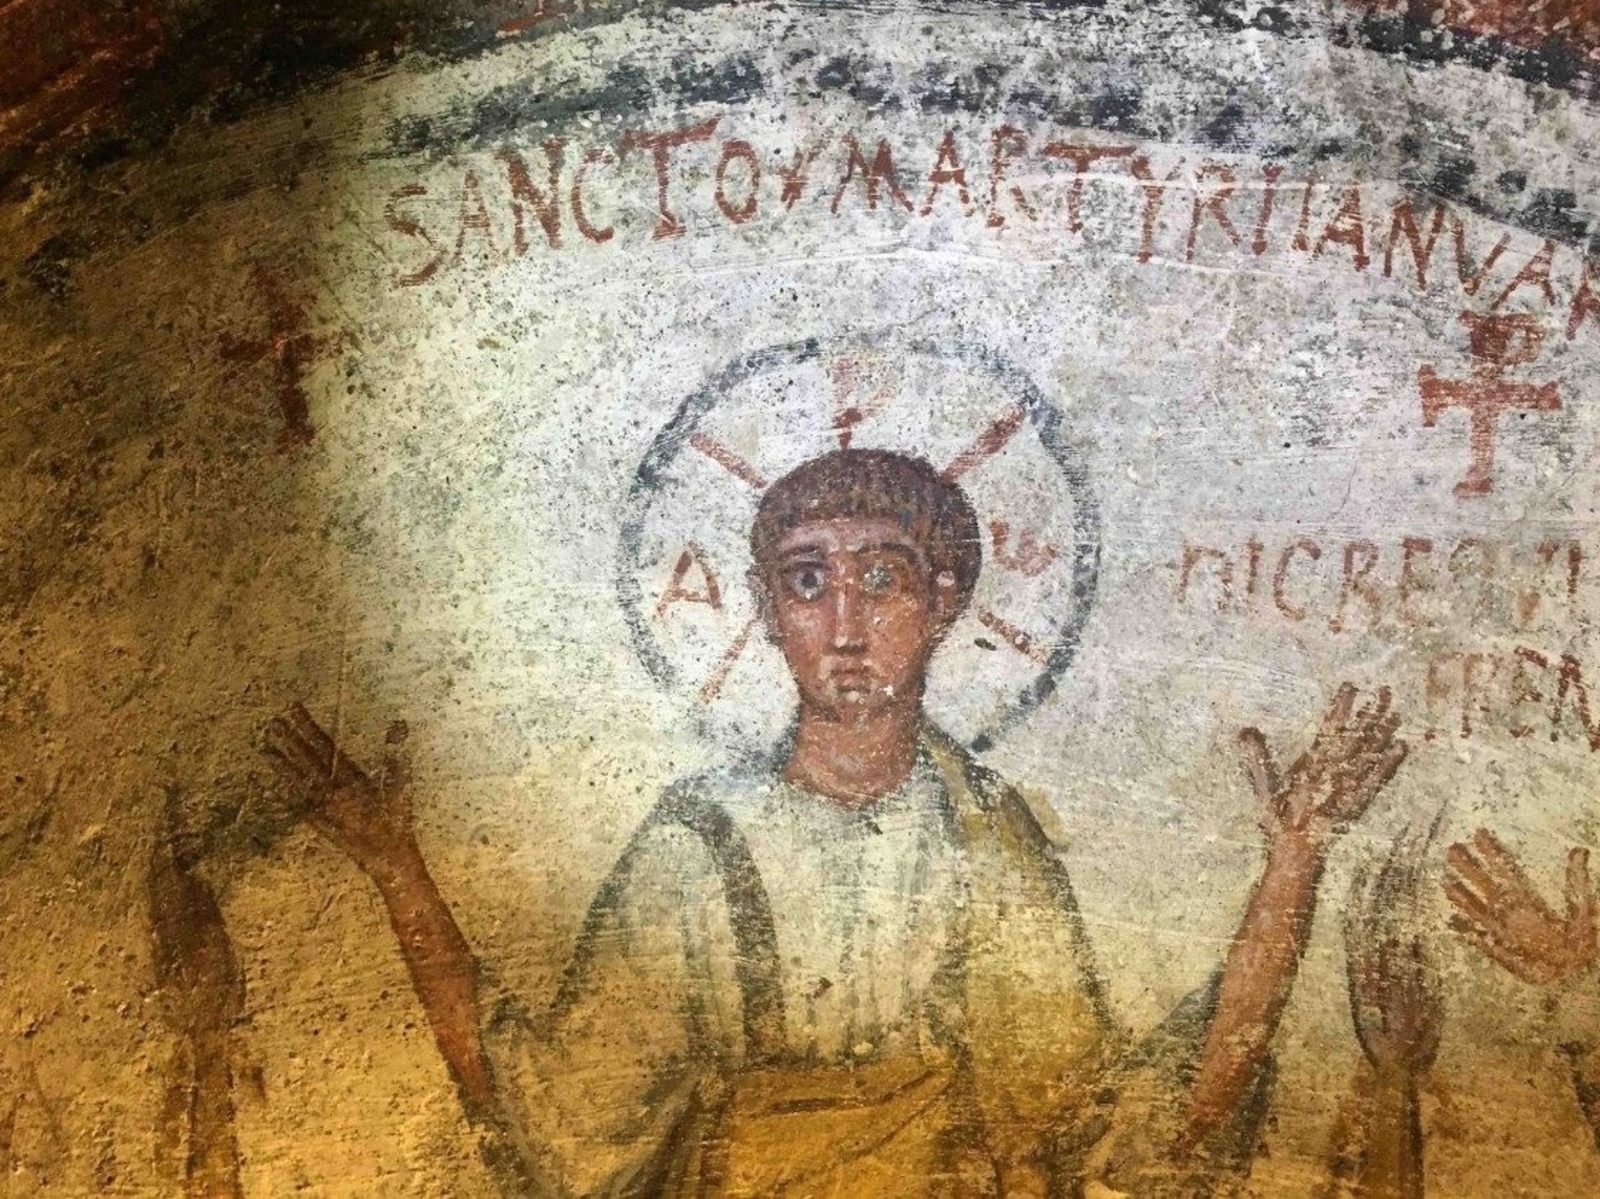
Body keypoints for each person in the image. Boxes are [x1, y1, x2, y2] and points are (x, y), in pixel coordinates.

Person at [267, 448, 1408, 1196]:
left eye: (883, 578)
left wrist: (1293, 862)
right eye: (808, 582)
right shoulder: (697, 844)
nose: (846, 624)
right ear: (769, 612)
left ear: (944, 601)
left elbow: (1106, 1126)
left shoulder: (987, 839)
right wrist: (396, 866)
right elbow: (565, 1121)